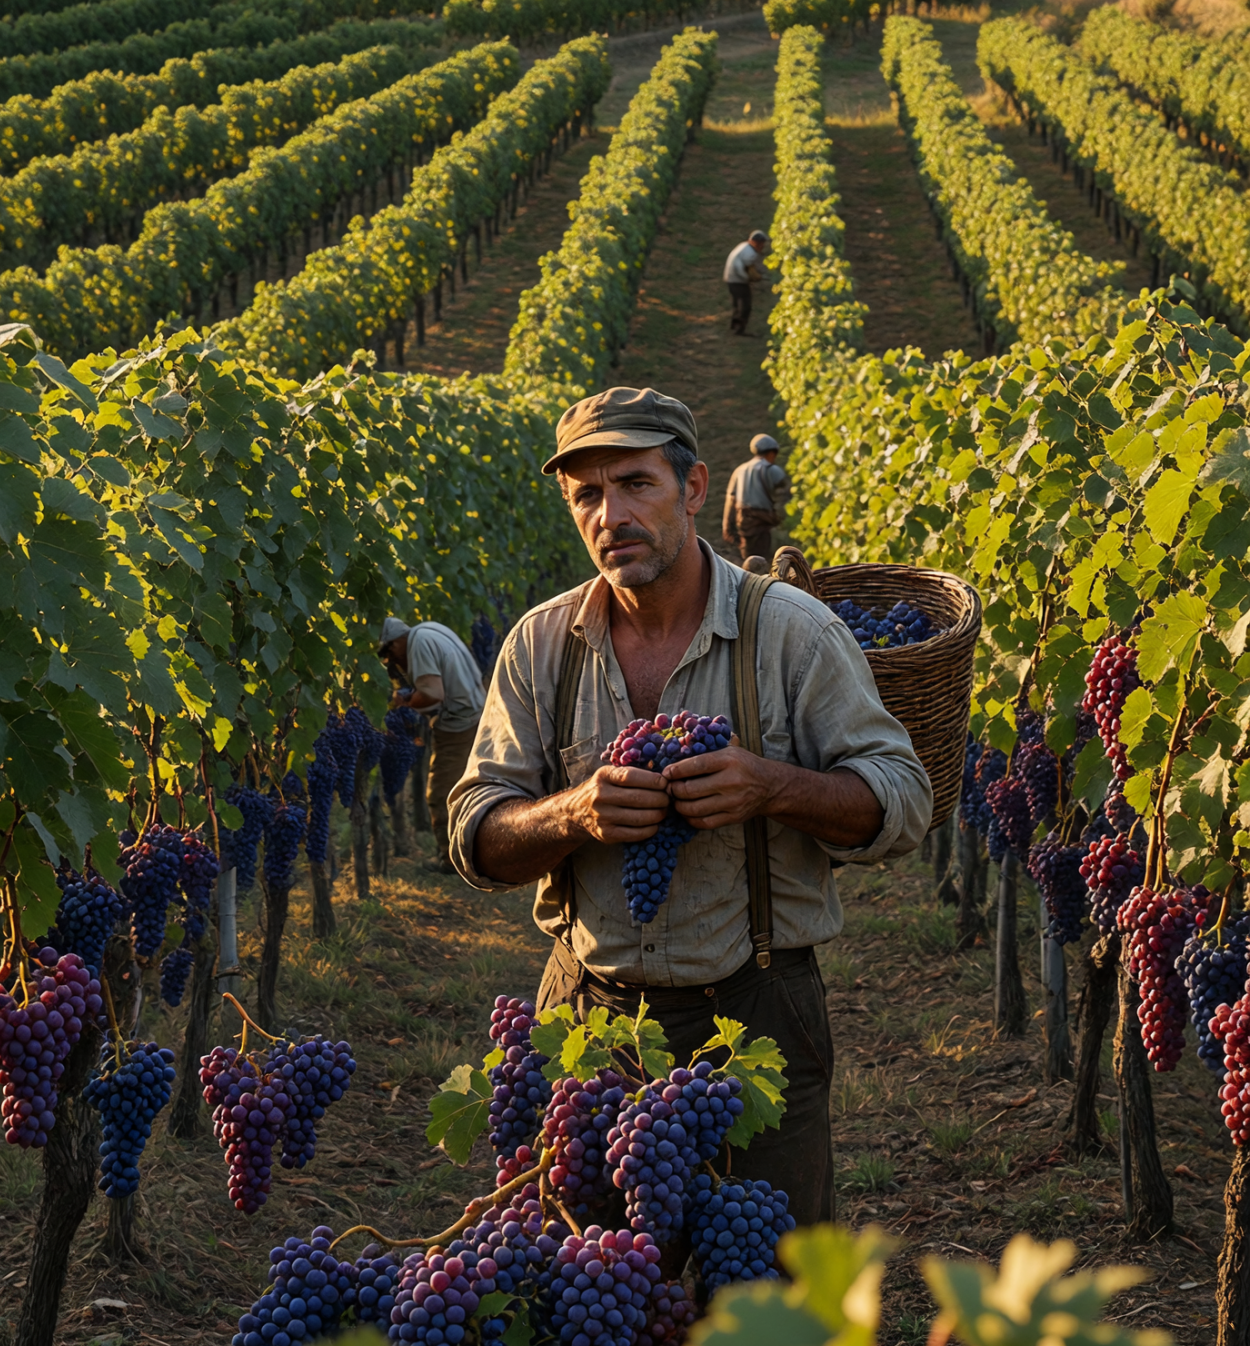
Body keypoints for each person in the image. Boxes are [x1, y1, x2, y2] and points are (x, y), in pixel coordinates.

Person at [448, 386, 931, 1224]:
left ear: (696, 488)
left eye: (637, 484)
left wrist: (774, 786)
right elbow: (474, 834)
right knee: (604, 1311)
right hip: (587, 1023)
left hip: (754, 1020)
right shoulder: (540, 644)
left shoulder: (794, 634)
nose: (611, 515)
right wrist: (572, 815)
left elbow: (902, 801)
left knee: (762, 1320)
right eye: (587, 496)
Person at [378, 614, 488, 872]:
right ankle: (477, 853)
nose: (395, 663)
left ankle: (452, 862)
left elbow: (431, 693)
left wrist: (401, 701)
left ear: (394, 644)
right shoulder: (431, 628)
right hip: (479, 714)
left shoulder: (418, 644)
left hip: (459, 724)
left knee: (440, 795)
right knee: (472, 788)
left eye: (391, 656)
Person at [722, 433, 789, 564]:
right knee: (769, 559)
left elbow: (731, 500)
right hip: (764, 523)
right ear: (771, 452)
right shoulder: (772, 470)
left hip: (744, 522)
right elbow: (784, 496)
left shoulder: (739, 470)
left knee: (749, 560)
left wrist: (727, 527)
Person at [723, 230, 769, 336]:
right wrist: (747, 278)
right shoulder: (750, 253)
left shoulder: (743, 246)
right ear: (755, 242)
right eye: (761, 243)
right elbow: (739, 268)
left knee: (737, 304)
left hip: (730, 278)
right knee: (745, 306)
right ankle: (739, 330)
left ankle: (734, 327)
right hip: (737, 280)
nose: (762, 246)